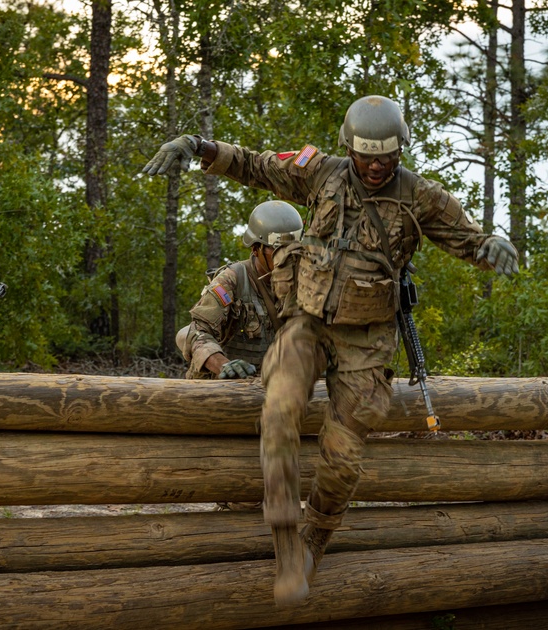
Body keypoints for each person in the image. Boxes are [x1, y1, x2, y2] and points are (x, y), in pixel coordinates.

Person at [143, 95, 519, 605]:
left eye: (386, 156)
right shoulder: (321, 173)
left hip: (367, 345)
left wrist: (490, 246)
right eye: (367, 156)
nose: (377, 165)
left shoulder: (422, 197)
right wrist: (198, 146)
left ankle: (314, 538)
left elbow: (468, 240)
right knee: (279, 409)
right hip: (308, 324)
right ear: (350, 148)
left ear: (400, 151)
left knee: (342, 458)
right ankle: (282, 533)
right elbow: (257, 165)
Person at [176, 200, 304, 381]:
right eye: (278, 249)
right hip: (230, 389)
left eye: (294, 248)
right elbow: (197, 334)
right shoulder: (233, 280)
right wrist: (223, 364)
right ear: (256, 249)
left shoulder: (305, 282)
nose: (288, 257)